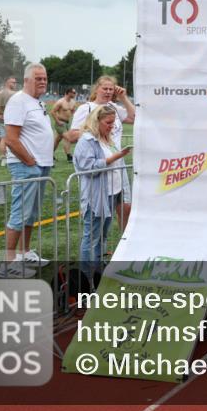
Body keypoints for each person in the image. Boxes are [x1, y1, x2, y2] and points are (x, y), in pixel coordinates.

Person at [0, 64, 54, 278]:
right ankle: (9, 261)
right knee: (20, 212)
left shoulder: (36, 102)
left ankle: (24, 252)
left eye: (45, 78)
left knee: (31, 213)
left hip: (40, 164)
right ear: (26, 80)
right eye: (38, 78)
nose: (42, 81)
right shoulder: (18, 101)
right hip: (27, 166)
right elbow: (11, 138)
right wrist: (30, 161)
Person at [64, 76, 135, 230]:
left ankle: (124, 243)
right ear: (97, 89)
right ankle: (98, 247)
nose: (108, 92)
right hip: (98, 163)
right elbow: (71, 135)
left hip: (117, 162)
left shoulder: (113, 108)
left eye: (111, 89)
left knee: (126, 206)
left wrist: (123, 97)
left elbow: (134, 117)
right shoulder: (87, 108)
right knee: (100, 209)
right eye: (105, 88)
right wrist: (95, 131)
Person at [73, 105, 131, 284]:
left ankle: (97, 274)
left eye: (113, 123)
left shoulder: (108, 138)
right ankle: (86, 279)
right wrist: (115, 157)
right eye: (108, 123)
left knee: (102, 237)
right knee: (91, 238)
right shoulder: (87, 140)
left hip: (111, 193)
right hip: (96, 195)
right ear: (96, 121)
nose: (111, 126)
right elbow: (87, 168)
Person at [51, 88, 78, 162]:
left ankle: (49, 154)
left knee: (57, 140)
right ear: (68, 93)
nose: (75, 94)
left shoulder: (73, 102)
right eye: (73, 92)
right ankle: (69, 156)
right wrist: (58, 121)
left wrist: (73, 112)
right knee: (68, 138)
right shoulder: (60, 102)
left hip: (67, 123)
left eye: (75, 92)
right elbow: (53, 112)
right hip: (60, 123)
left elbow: (72, 112)